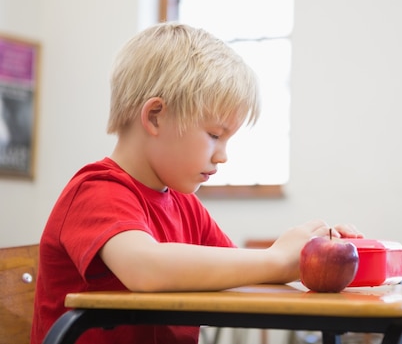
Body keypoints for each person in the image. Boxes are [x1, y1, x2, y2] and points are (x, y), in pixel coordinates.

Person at [31, 22, 362, 344]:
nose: (222, 156)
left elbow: (243, 278)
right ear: (155, 116)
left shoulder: (183, 204)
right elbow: (145, 268)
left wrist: (320, 259)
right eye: (214, 135)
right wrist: (277, 258)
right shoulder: (95, 191)